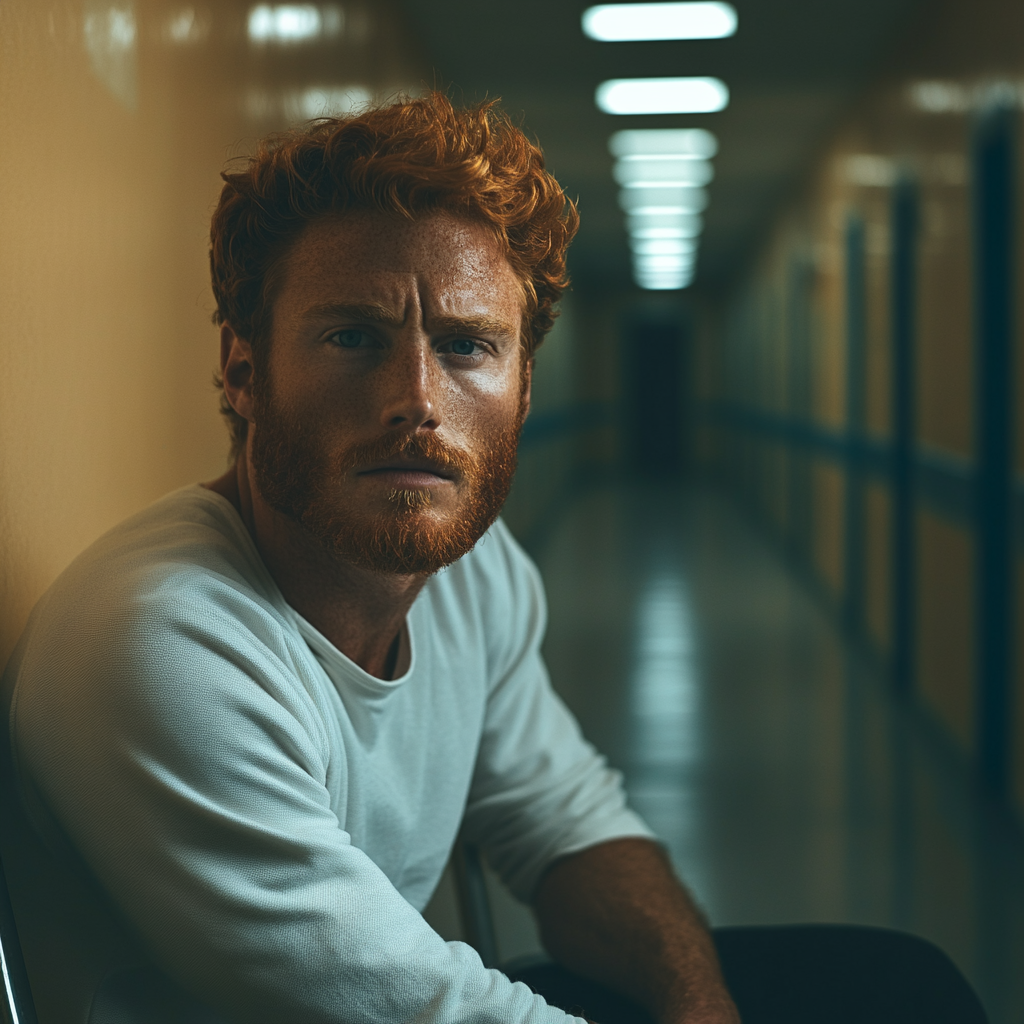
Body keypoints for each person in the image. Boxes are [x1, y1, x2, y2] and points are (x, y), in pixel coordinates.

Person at [0, 94, 987, 1024]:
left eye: (468, 344)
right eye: (353, 336)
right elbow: (422, 1007)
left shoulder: (471, 568)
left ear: (522, 388)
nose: (416, 400)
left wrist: (698, 1005)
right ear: (243, 369)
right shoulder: (161, 640)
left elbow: (565, 823)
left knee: (897, 985)